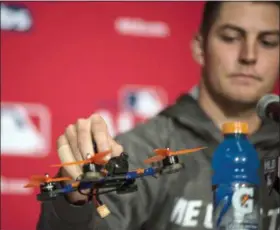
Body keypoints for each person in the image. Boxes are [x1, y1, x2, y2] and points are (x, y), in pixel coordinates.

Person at [37, 1, 279, 230]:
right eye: (231, 38)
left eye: (268, 42)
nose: (249, 55)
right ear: (199, 47)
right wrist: (74, 201)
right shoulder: (144, 151)